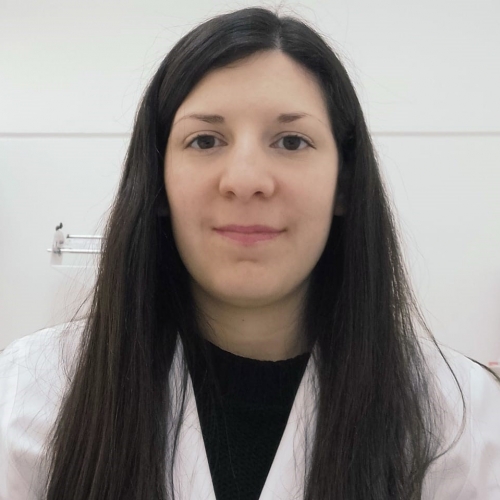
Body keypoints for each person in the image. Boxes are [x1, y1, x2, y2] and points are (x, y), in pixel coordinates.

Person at [1, 6, 499, 500]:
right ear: (157, 181)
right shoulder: (30, 395)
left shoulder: (461, 420)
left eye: (291, 141)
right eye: (204, 140)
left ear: (344, 183)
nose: (244, 180)